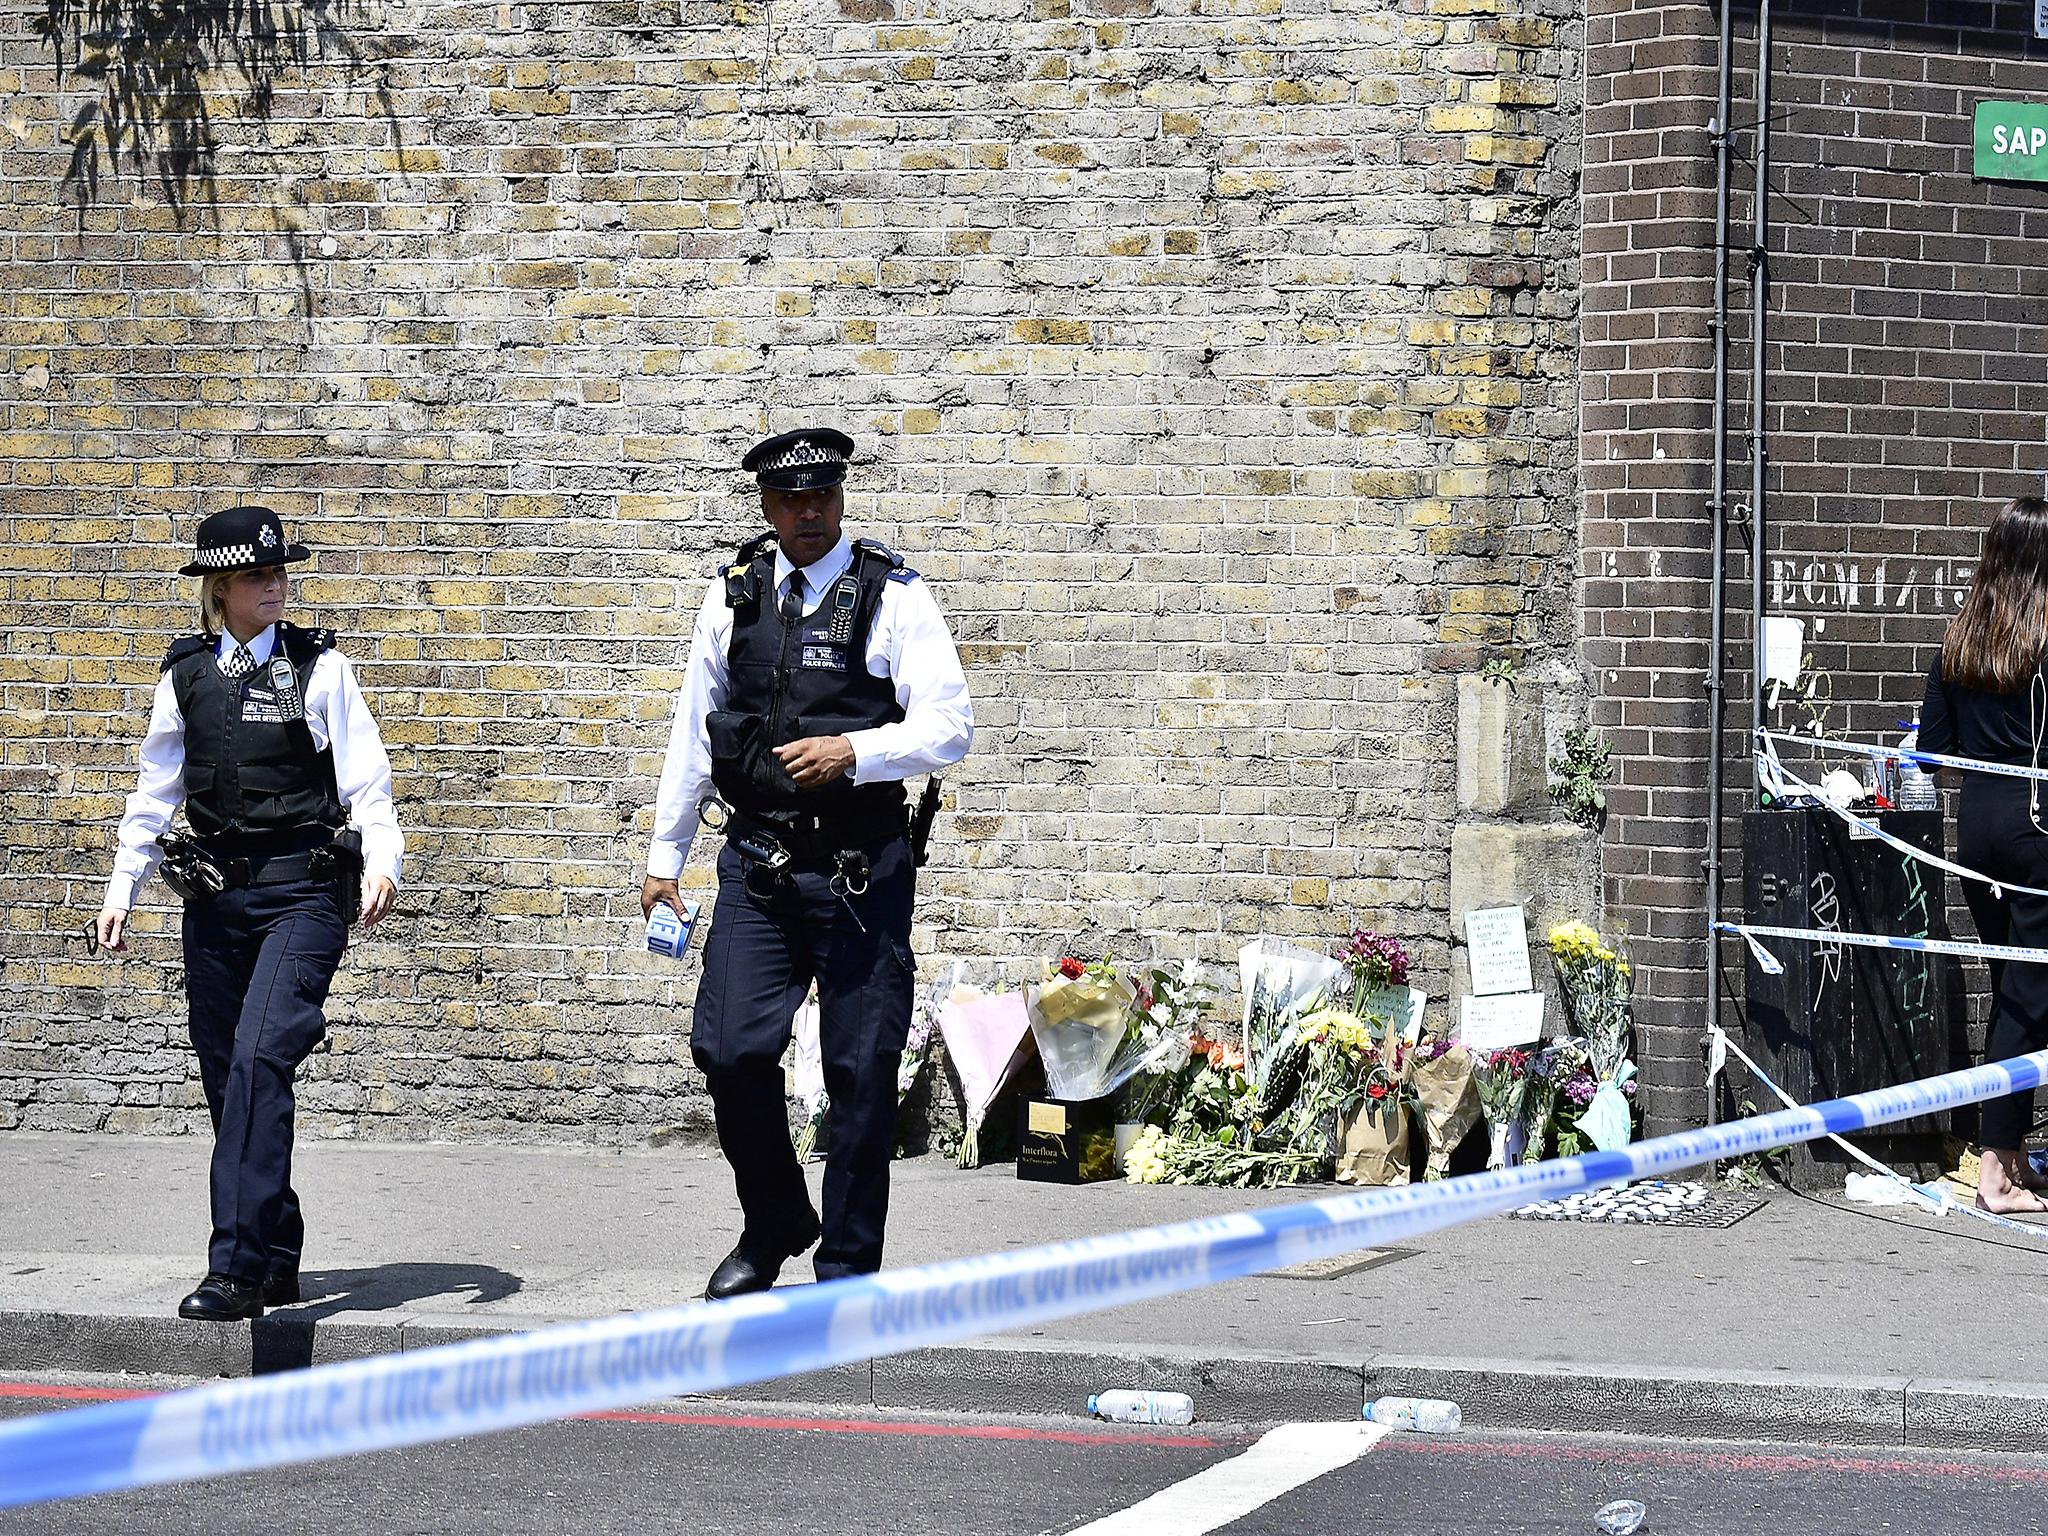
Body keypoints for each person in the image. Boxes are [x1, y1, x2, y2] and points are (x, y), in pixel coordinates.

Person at [643, 428, 973, 1297]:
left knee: (859, 1072)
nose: (810, 512)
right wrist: (665, 856)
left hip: (860, 871)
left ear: (840, 496)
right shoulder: (734, 597)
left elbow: (949, 726)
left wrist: (855, 753)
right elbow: (693, 730)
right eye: (791, 499)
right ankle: (776, 1218)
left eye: (823, 495)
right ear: (766, 505)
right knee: (727, 1049)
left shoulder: (892, 596)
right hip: (756, 866)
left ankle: (848, 1267)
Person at [94, 505, 404, 1319]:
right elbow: (155, 790)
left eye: (279, 573)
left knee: (262, 1058)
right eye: (256, 576)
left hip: (302, 894)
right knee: (229, 1080)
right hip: (216, 899)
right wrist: (122, 886)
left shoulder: (319, 668)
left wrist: (382, 856)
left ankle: (234, 1269)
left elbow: (367, 776)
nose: (274, 586)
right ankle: (275, 1249)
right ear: (221, 589)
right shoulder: (187, 675)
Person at [1920, 494, 2048, 1215]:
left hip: (1980, 828)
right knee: (2030, 999)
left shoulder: (1960, 640)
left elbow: (1932, 755)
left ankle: (2010, 1155)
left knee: (2016, 994)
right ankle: (1998, 1170)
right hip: (2039, 829)